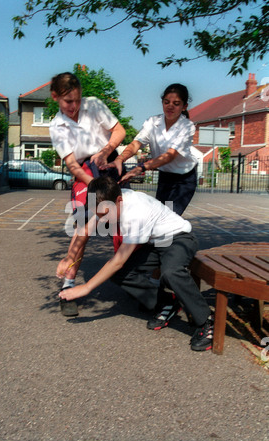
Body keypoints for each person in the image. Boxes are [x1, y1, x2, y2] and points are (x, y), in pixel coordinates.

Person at [58, 176, 214, 352]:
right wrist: (69, 259)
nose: (103, 219)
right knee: (119, 274)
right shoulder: (108, 199)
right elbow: (85, 230)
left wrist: (86, 287)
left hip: (178, 238)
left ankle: (207, 321)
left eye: (105, 215)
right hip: (155, 243)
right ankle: (167, 303)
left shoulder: (136, 213)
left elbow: (118, 261)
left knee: (171, 273)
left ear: (119, 200)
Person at [49, 72, 126, 316]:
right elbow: (72, 165)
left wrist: (106, 151)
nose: (74, 106)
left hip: (107, 160)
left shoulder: (93, 104)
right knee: (83, 221)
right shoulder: (56, 126)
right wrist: (95, 186)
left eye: (77, 100)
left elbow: (119, 131)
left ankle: (136, 280)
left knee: (123, 219)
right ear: (55, 98)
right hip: (84, 170)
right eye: (68, 101)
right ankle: (68, 286)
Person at [103, 83, 197, 216]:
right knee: (159, 217)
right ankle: (166, 236)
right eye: (166, 102)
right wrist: (120, 158)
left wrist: (140, 168)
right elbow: (136, 144)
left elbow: (169, 155)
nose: (170, 106)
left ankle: (180, 236)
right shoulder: (152, 122)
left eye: (176, 103)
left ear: (184, 106)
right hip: (165, 177)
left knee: (169, 218)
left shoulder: (187, 126)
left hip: (184, 179)